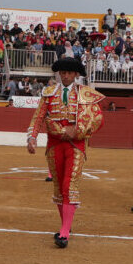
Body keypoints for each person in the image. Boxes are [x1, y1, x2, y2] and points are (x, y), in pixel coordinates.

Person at [26, 57, 105, 248]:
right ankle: (65, 226)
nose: (66, 76)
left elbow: (97, 119)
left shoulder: (85, 94)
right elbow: (38, 116)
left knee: (69, 185)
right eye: (63, 73)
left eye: (69, 73)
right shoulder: (49, 93)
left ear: (76, 74)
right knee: (59, 187)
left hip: (75, 145)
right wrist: (32, 137)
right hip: (54, 144)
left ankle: (63, 233)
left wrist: (78, 131)